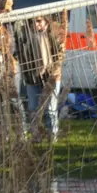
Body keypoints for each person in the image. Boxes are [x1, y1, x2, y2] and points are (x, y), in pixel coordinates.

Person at [15, 13, 64, 141]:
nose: (35, 24)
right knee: (33, 108)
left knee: (50, 108)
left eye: (38, 21)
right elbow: (21, 54)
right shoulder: (27, 36)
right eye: (32, 22)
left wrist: (53, 71)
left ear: (46, 21)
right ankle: (36, 135)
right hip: (32, 78)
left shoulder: (54, 35)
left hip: (51, 77)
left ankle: (52, 135)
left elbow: (60, 55)